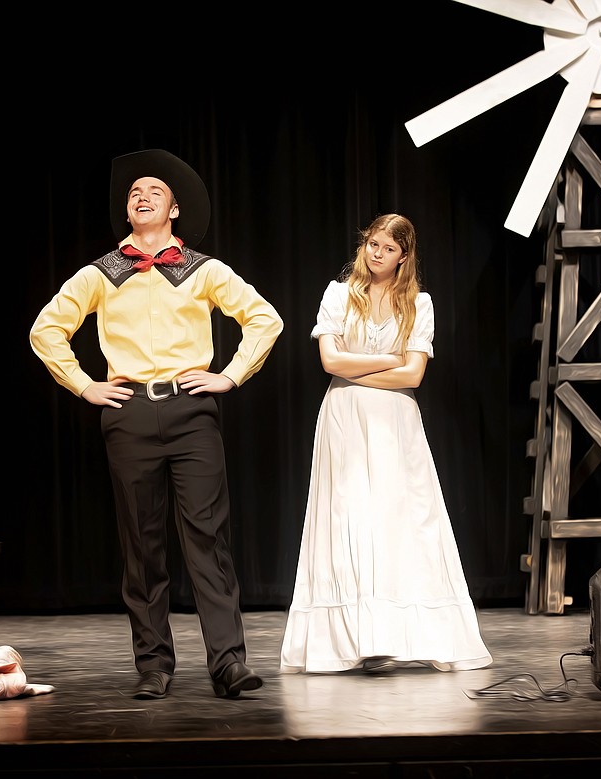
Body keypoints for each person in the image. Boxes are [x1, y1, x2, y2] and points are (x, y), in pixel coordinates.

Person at [30, 149, 284, 699]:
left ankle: (228, 663)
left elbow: (265, 318)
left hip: (191, 411)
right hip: (130, 413)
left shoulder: (202, 268)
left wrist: (230, 375)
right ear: (128, 212)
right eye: (133, 193)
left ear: (174, 209)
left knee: (207, 538)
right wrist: (84, 384)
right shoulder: (102, 272)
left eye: (153, 191)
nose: (140, 197)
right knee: (142, 545)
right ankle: (153, 664)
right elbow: (46, 328)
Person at [279, 213, 493, 674]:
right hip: (345, 418)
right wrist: (386, 362)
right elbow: (329, 362)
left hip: (396, 423)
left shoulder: (420, 303)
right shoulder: (339, 294)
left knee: (402, 519)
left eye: (387, 248)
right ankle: (354, 639)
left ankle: (398, 636)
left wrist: (360, 366)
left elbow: (414, 374)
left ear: (403, 256)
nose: (376, 254)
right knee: (347, 517)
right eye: (372, 244)